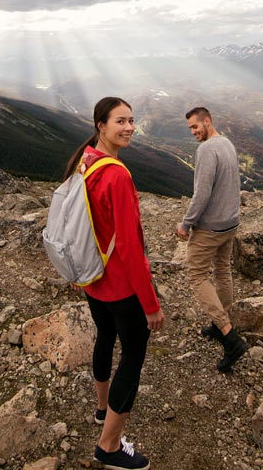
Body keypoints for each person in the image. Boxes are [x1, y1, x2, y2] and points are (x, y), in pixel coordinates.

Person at [64, 96, 164, 470]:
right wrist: (150, 303)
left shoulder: (84, 159)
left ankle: (101, 408)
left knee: (105, 338)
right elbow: (129, 247)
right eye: (120, 121)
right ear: (101, 124)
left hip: (92, 279)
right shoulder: (118, 175)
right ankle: (108, 446)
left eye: (132, 121)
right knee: (134, 355)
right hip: (120, 285)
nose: (129, 128)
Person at [176, 106, 247, 372]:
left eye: (196, 126)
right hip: (230, 222)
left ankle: (229, 336)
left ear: (207, 121)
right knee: (222, 269)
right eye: (190, 129)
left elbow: (202, 193)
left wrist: (186, 223)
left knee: (196, 275)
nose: (194, 132)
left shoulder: (206, 150)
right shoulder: (226, 143)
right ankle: (221, 323)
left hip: (211, 227)